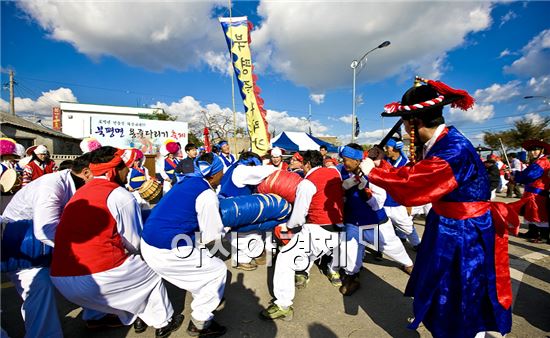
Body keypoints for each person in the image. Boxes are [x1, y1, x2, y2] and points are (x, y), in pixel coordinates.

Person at [360, 78, 515, 337]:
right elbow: (415, 171)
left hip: (464, 232)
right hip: (447, 224)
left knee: (460, 291)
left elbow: (415, 185)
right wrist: (382, 167)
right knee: (442, 286)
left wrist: (374, 174)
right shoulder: (441, 143)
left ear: (413, 123)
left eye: (406, 123)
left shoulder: (452, 149)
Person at [50, 147, 183, 337]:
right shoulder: (120, 196)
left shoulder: (77, 194)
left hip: (60, 278)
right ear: (112, 170)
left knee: (125, 274)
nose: (128, 171)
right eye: (124, 167)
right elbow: (135, 243)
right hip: (98, 276)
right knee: (150, 271)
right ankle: (163, 322)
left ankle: (97, 318)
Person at [1, 153, 106, 337]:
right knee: (45, 282)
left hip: (36, 243)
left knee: (42, 284)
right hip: (18, 244)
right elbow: (45, 230)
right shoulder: (51, 187)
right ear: (87, 173)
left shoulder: (73, 184)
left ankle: (95, 316)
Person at [141, 152, 227, 337]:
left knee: (202, 265)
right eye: (222, 172)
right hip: (166, 250)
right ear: (214, 174)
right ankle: (200, 322)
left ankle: (205, 295)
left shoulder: (186, 181)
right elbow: (213, 237)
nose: (223, 176)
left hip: (149, 243)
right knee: (217, 270)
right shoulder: (206, 195)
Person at [260, 150, 344, 321]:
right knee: (307, 249)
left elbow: (298, 217)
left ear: (307, 164)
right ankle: (301, 273)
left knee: (284, 257)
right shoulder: (334, 172)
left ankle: (283, 305)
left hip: (319, 231)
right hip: (338, 232)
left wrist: (286, 226)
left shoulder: (307, 183)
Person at [337, 144, 414, 297]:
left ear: (356, 160)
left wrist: (368, 194)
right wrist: (346, 187)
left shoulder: (372, 173)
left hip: (374, 221)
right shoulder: (342, 171)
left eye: (346, 160)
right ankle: (352, 276)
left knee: (392, 247)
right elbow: (341, 191)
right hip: (352, 220)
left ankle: (408, 263)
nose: (343, 163)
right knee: (350, 251)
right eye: (343, 159)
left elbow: (379, 202)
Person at [219, 151, 276, 270]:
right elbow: (266, 171)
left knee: (242, 235)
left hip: (228, 206)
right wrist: (274, 167)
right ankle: (249, 257)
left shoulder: (233, 167)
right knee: (250, 235)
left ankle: (241, 259)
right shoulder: (242, 170)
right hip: (234, 210)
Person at [383, 138, 421, 249]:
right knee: (379, 228)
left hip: (398, 203)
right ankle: (379, 250)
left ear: (396, 148)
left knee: (408, 227)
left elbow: (409, 186)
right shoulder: (383, 161)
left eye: (387, 148)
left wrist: (408, 204)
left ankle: (417, 245)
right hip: (383, 202)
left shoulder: (406, 164)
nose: (386, 150)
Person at [513, 140, 549, 243]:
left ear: (542, 150)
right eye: (531, 150)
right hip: (530, 192)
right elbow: (526, 174)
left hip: (538, 193)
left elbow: (530, 175)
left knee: (539, 214)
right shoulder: (536, 162)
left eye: (535, 150)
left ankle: (544, 236)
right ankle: (532, 232)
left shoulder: (542, 162)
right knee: (530, 213)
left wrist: (516, 175)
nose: (533, 152)